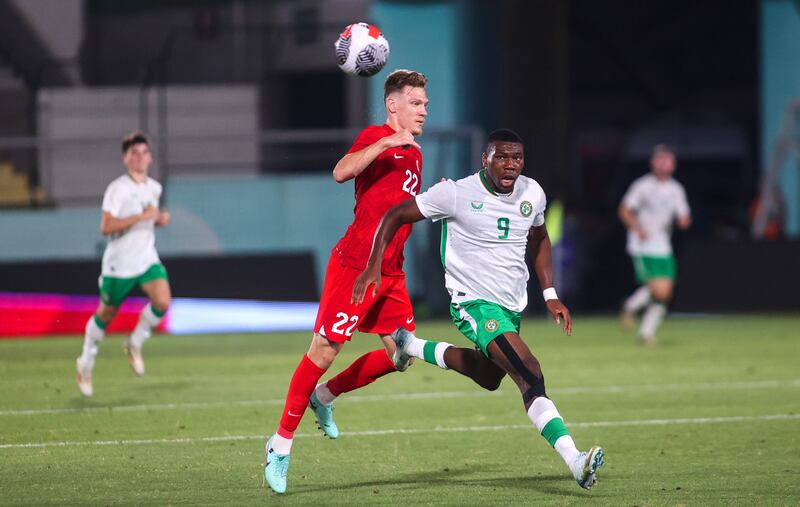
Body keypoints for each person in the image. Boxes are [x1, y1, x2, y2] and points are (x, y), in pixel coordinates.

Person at [352, 129, 605, 490]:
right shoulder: (455, 193)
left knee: (488, 377)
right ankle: (576, 460)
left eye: (517, 158)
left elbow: (539, 237)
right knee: (529, 373)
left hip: (511, 306)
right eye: (501, 157)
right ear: (484, 159)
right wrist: (374, 264)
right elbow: (394, 215)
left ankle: (409, 345)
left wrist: (549, 292)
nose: (510, 165)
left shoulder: (532, 193)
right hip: (473, 302)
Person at [264, 69, 428, 494]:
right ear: (393, 105)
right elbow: (340, 172)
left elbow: (400, 209)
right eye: (415, 103)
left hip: (390, 272)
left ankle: (325, 396)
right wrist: (386, 141)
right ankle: (280, 446)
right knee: (324, 349)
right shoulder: (377, 136)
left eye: (425, 104)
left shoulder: (416, 153)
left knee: (400, 356)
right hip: (356, 266)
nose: (423, 110)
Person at [75, 131, 172, 397]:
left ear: (150, 157)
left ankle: (135, 341)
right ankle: (85, 362)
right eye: (134, 153)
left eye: (143, 152)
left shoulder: (154, 187)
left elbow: (148, 219)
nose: (139, 157)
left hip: (146, 258)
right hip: (120, 264)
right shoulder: (117, 189)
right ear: (125, 159)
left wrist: (158, 219)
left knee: (163, 301)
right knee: (106, 314)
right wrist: (142, 217)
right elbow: (106, 226)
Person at [618, 144, 691, 344]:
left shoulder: (676, 189)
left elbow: (683, 214)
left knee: (665, 293)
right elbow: (624, 210)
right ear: (653, 163)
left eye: (668, 160)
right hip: (643, 245)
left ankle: (643, 330)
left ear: (673, 164)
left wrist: (684, 220)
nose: (664, 164)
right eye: (660, 160)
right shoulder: (642, 186)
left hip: (663, 246)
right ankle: (633, 310)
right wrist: (638, 228)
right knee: (659, 290)